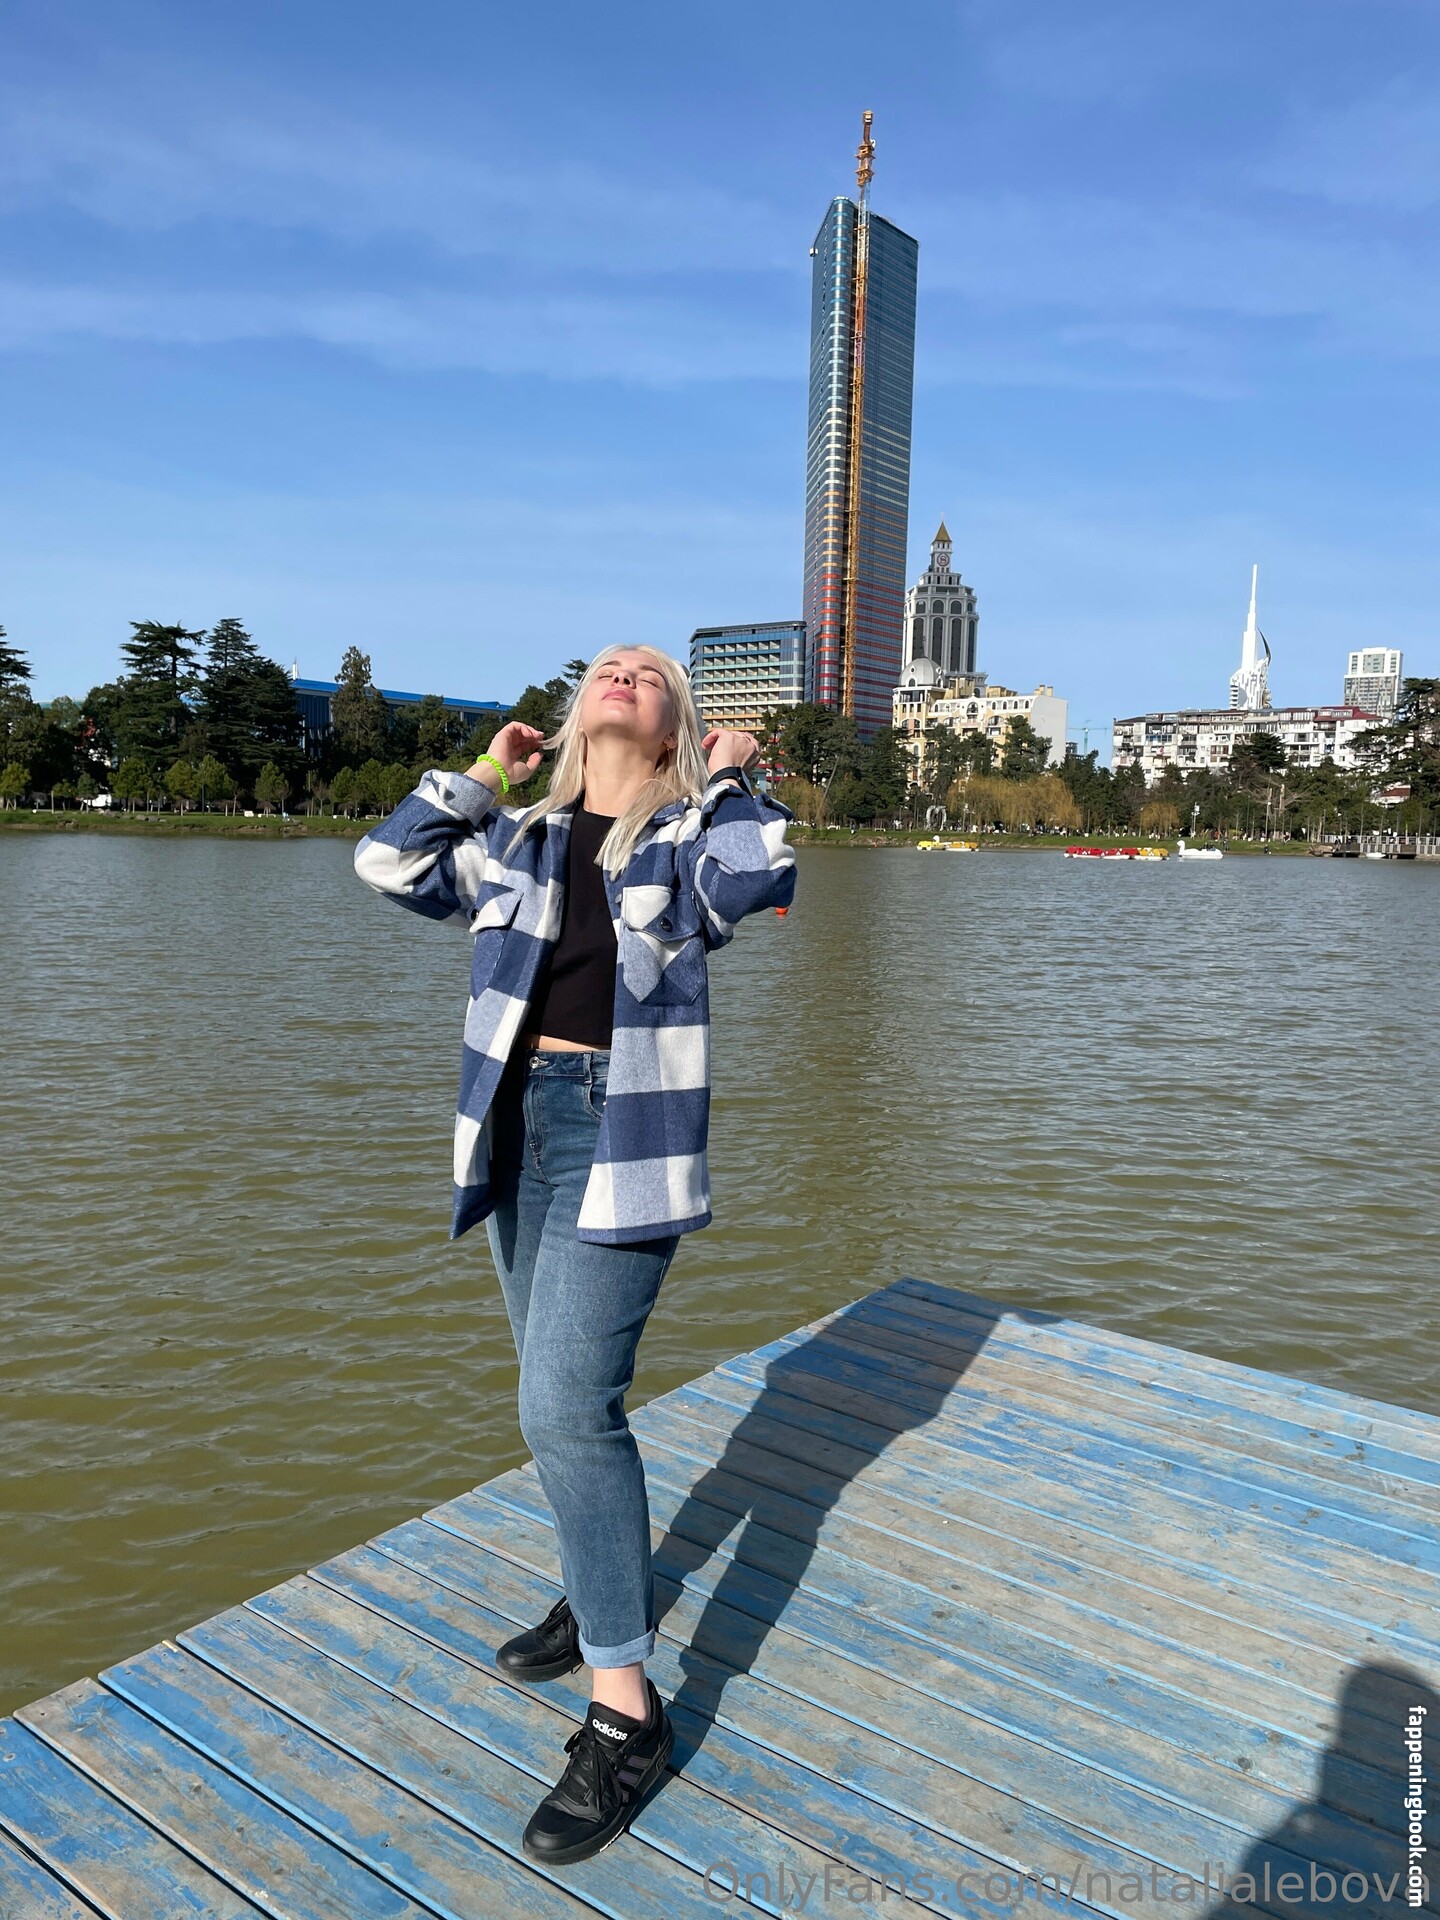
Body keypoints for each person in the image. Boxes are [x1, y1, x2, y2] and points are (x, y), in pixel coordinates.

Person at [352, 645, 797, 1865]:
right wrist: (485, 775)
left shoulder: (689, 840)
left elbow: (760, 877)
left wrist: (731, 775)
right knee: (555, 1400)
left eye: (652, 673)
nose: (627, 671)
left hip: (625, 1129)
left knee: (562, 1405)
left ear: (672, 726)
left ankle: (625, 1715)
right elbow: (388, 863)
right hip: (518, 1127)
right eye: (611, 664)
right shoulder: (520, 840)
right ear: (577, 711)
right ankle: (603, 1583)